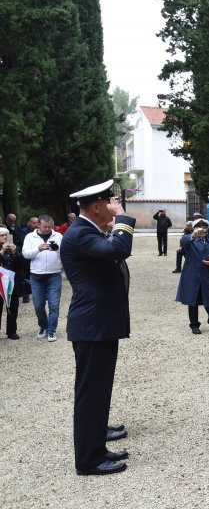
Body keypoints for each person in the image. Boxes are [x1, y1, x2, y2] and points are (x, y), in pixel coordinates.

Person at [60, 179, 135, 476]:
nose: (114, 206)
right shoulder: (80, 234)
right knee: (90, 393)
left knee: (99, 390)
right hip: (92, 325)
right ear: (96, 206)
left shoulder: (87, 230)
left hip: (98, 324)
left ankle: (97, 445)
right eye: (110, 202)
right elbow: (119, 248)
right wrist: (125, 219)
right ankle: (88, 460)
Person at [175, 219, 209, 334]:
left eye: (204, 226)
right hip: (192, 276)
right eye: (199, 226)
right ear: (194, 228)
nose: (202, 228)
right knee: (192, 301)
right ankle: (194, 325)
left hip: (206, 276)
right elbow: (182, 242)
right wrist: (193, 235)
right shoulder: (190, 240)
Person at [22, 215, 63, 342]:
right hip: (36, 275)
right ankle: (43, 326)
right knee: (38, 305)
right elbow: (25, 254)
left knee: (54, 305)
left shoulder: (58, 236)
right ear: (38, 225)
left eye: (49, 227)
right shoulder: (30, 237)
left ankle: (51, 330)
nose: (47, 229)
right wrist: (38, 249)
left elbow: (65, 252)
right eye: (44, 226)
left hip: (54, 274)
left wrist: (56, 249)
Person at [0, 227, 24, 340]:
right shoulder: (3, 249)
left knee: (13, 307)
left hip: (11, 281)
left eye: (6, 235)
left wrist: (15, 252)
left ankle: (11, 331)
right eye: (2, 235)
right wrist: (2, 251)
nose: (4, 237)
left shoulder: (12, 247)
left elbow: (21, 264)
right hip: (0, 282)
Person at [16, 215, 38, 304]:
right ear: (29, 223)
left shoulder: (39, 232)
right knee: (26, 276)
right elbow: (22, 241)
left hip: (35, 256)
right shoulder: (23, 231)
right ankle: (26, 295)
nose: (36, 225)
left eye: (37, 223)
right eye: (34, 223)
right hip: (25, 258)